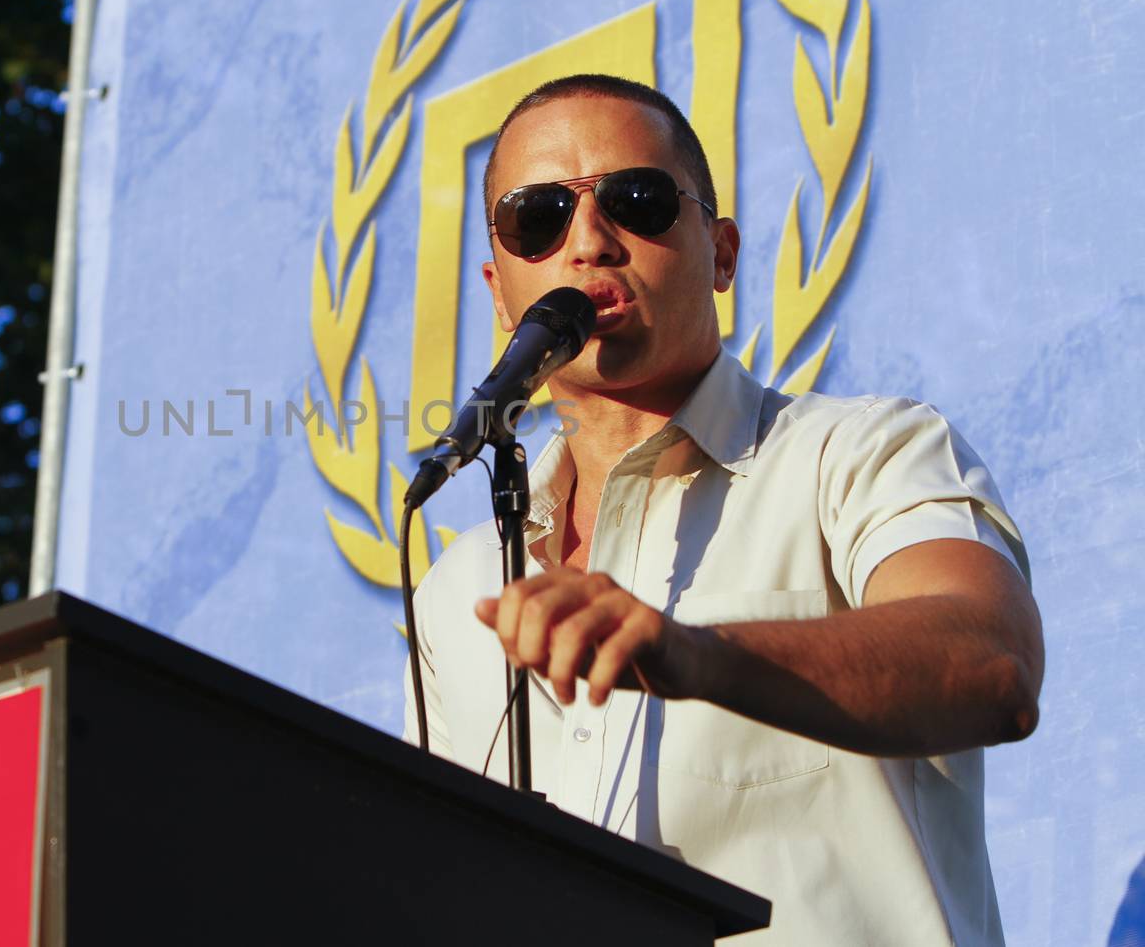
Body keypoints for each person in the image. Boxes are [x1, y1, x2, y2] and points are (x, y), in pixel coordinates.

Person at [404, 74, 1043, 946]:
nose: (588, 242)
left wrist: (694, 654)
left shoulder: (860, 454)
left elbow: (991, 665)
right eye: (538, 217)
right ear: (499, 286)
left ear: (724, 253)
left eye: (637, 199)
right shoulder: (458, 587)